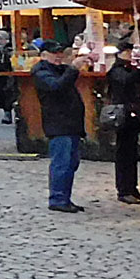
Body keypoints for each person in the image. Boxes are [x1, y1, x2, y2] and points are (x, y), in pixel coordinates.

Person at [35, 38, 86, 213]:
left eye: (60, 53)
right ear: (43, 55)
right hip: (58, 124)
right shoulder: (41, 72)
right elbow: (57, 86)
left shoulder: (59, 69)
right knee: (62, 163)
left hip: (70, 123)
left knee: (71, 162)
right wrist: (73, 68)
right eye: (54, 54)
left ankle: (64, 198)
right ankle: (58, 198)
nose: (58, 57)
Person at [105, 42, 140, 204]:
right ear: (122, 53)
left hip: (132, 114)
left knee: (131, 154)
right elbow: (127, 81)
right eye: (130, 52)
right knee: (124, 154)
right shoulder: (117, 70)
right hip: (123, 115)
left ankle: (132, 187)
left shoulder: (127, 68)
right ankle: (124, 190)